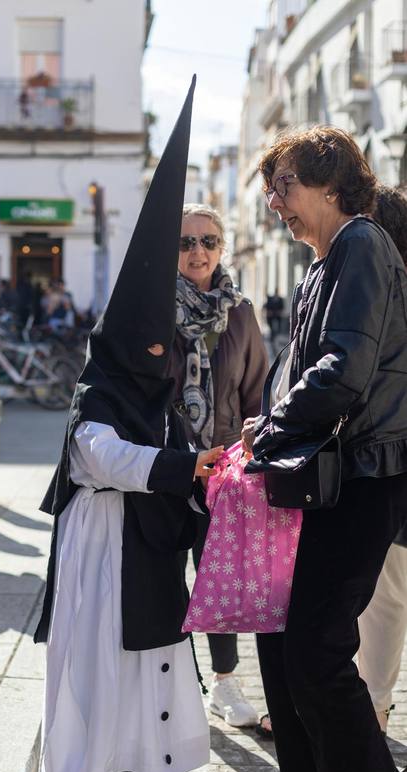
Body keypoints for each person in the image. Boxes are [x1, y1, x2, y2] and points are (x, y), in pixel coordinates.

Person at [34, 78, 219, 772]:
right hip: (101, 542)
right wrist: (180, 468)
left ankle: (140, 763)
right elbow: (99, 456)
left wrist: (201, 464)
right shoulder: (99, 388)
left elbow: (170, 443)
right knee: (100, 665)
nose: (153, 355)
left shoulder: (153, 388)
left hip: (142, 544)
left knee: (149, 658)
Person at [242, 126, 407, 772]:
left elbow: (343, 371)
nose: (273, 202)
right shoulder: (326, 258)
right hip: (336, 474)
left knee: (316, 648)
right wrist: (268, 418)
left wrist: (274, 422)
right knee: (294, 641)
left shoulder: (361, 245)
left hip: (365, 477)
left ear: (328, 178)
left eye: (281, 185)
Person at [168, 204, 268, 728]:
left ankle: (224, 683)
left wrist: (250, 460)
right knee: (164, 577)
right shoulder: (152, 309)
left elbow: (257, 395)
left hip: (222, 471)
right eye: (186, 243)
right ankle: (171, 679)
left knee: (217, 577)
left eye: (208, 241)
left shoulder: (242, 312)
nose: (197, 252)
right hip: (164, 468)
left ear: (222, 248)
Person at [357, 184, 407, 735]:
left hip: (389, 467)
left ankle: (373, 708)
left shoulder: (383, 295)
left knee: (385, 598)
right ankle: (372, 705)